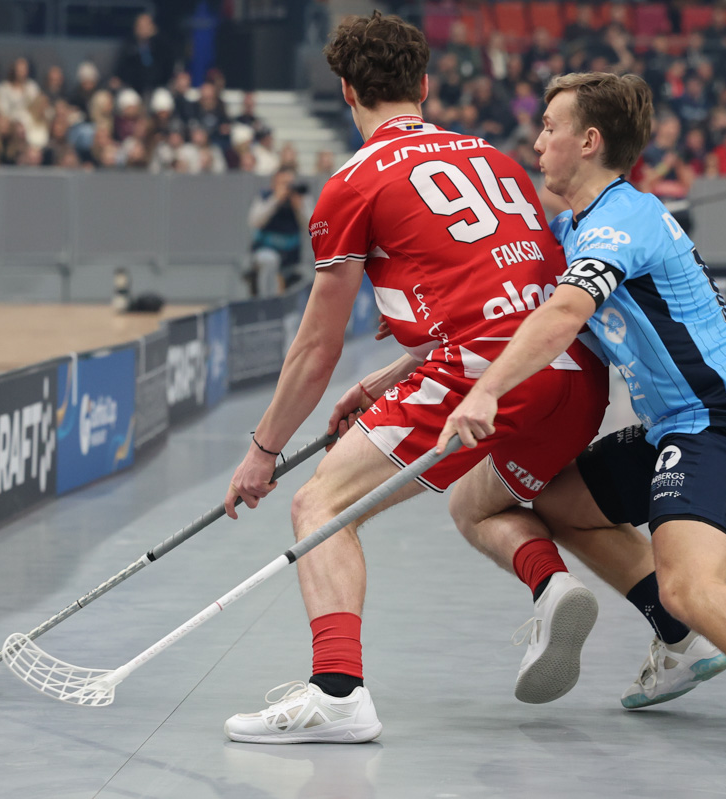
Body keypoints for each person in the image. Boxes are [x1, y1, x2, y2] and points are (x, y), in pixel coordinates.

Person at [437, 71, 726, 765]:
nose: (538, 142)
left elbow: (564, 313)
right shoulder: (574, 226)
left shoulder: (623, 222)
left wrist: (486, 392)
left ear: (589, 141)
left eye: (550, 127)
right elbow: (509, 310)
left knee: (690, 583)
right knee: (558, 503)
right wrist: (398, 371)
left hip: (720, 423)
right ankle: (680, 641)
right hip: (671, 424)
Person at [221, 13, 608, 744]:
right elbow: (508, 291)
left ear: (346, 90)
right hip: (576, 373)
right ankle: (629, 613)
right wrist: (397, 371)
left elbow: (316, 347)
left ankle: (337, 693)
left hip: (482, 374)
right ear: (424, 85)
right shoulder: (497, 159)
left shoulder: (351, 184)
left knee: (318, 504)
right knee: (480, 501)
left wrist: (263, 451)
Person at [247, 166, 309, 297]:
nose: (288, 188)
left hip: (291, 256)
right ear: (274, 184)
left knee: (310, 272)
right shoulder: (265, 196)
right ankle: (267, 302)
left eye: (290, 183)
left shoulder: (298, 198)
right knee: (270, 260)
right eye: (284, 183)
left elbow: (312, 226)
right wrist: (275, 199)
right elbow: (254, 221)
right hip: (265, 250)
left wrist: (300, 208)